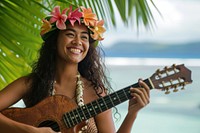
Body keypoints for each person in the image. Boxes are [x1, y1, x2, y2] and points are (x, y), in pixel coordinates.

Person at [0, 5, 150, 133]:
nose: (78, 42)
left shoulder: (95, 92)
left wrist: (132, 114)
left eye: (84, 37)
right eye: (70, 34)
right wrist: (29, 131)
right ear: (54, 42)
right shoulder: (31, 83)